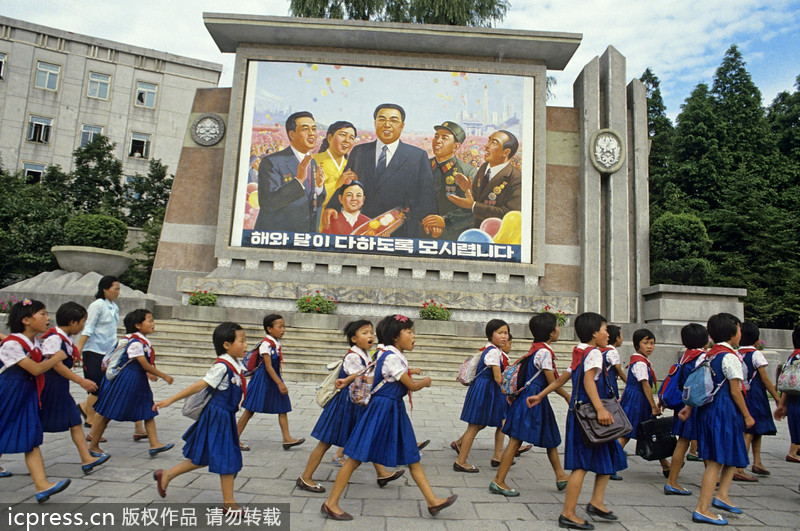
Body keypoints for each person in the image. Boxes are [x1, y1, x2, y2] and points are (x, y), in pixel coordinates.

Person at [321, 314, 457, 520]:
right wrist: (425, 382)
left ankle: (432, 501)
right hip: (382, 409)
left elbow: (371, 372)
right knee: (355, 458)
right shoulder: (392, 357)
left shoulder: (387, 353)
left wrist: (348, 379)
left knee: (412, 456)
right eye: (409, 332)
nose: (413, 337)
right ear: (395, 336)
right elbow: (410, 385)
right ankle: (331, 504)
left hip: (393, 409)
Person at [528, 312, 627, 530]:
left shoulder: (580, 351)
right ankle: (568, 513)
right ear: (593, 333)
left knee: (607, 458)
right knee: (581, 466)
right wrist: (601, 409)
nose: (607, 333)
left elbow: (564, 378)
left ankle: (597, 502)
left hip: (580, 413)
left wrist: (541, 394)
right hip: (592, 415)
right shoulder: (594, 354)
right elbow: (589, 381)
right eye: (603, 329)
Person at [297, 320, 403, 493]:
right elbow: (361, 376)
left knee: (367, 436)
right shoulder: (353, 356)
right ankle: (305, 477)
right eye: (365, 332)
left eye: (371, 332)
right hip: (344, 406)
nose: (370, 336)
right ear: (354, 338)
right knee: (325, 443)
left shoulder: (366, 354)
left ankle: (382, 473)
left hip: (356, 405)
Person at [153, 322, 249, 511]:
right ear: (226, 345)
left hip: (225, 416)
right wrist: (171, 399)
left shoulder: (236, 364)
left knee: (205, 455)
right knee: (227, 456)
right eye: (242, 341)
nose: (245, 345)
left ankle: (167, 475)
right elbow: (200, 385)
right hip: (218, 417)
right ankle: (229, 503)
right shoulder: (222, 366)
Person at [680, 313, 754, 525]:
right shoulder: (730, 357)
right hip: (724, 410)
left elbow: (699, 384)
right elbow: (735, 391)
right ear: (732, 333)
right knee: (715, 461)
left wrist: (688, 408)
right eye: (739, 329)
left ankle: (722, 495)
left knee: (733, 452)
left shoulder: (707, 355)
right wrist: (748, 415)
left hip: (708, 409)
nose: (741, 334)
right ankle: (702, 508)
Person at [323, 103, 437, 239]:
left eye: (393, 120)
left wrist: (431, 220)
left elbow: (427, 194)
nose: (387, 124)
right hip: (362, 228)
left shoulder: (417, 156)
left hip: (401, 229)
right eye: (382, 119)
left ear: (402, 126)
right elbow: (346, 184)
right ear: (375, 123)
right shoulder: (360, 152)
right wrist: (333, 206)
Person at [491, 312, 570, 497]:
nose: (559, 330)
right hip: (533, 399)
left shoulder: (536, 348)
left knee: (550, 437)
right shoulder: (545, 353)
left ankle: (560, 475)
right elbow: (552, 381)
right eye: (557, 327)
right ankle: (498, 480)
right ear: (550, 333)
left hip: (535, 399)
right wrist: (567, 395)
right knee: (516, 439)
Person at [0, 300, 72, 502]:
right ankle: (42, 485)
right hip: (8, 394)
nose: (48, 318)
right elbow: (36, 369)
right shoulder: (13, 344)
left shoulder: (33, 343)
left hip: (25, 395)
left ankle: (42, 486)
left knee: (30, 438)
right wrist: (56, 357)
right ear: (25, 320)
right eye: (42, 314)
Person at [88, 309, 175, 457]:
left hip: (136, 381)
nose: (153, 324)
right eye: (149, 320)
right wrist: (163, 375)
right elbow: (143, 364)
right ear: (137, 325)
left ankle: (154, 444)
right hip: (126, 381)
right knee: (108, 412)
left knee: (148, 409)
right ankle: (93, 446)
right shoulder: (135, 342)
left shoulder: (138, 341)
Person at [39, 302, 110, 474]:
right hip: (47, 388)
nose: (83, 326)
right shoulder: (54, 338)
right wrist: (81, 381)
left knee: (75, 421)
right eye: (82, 322)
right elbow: (56, 365)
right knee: (26, 423)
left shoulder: (66, 338)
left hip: (60, 387)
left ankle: (86, 458)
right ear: (72, 322)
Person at [237, 314, 304, 451]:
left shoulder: (275, 343)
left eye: (284, 326)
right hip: (263, 380)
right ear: (269, 328)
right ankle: (234, 438)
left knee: (283, 407)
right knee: (249, 410)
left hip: (273, 378)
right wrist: (280, 383)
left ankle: (287, 438)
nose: (283, 330)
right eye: (280, 327)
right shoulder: (266, 345)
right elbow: (268, 367)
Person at [452, 319, 510, 473]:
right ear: (491, 335)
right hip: (486, 390)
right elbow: (498, 378)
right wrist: (510, 391)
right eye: (500, 333)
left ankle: (461, 451)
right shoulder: (492, 352)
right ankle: (461, 461)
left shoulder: (492, 349)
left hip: (486, 390)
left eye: (506, 333)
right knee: (475, 425)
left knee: (478, 424)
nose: (504, 336)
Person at [254, 111, 326, 233]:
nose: (312, 134)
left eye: (314, 129)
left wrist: (319, 187)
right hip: (278, 235)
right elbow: (268, 203)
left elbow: (313, 202)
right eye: (305, 129)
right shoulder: (272, 161)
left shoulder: (312, 162)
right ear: (292, 134)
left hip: (305, 234)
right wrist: (298, 180)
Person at [617, 329, 671, 478]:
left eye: (652, 343)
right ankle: (610, 464)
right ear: (637, 344)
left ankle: (666, 465)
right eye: (645, 343)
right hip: (638, 402)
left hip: (638, 400)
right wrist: (653, 405)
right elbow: (645, 384)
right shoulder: (640, 363)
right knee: (627, 433)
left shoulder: (640, 361)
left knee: (651, 431)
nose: (649, 347)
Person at [664, 323, 708, 495]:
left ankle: (672, 481)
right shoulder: (702, 357)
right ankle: (712, 478)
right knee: (702, 441)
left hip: (683, 402)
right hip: (695, 405)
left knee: (682, 442)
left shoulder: (685, 357)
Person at [447, 130, 521, 229]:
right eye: (489, 141)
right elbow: (480, 198)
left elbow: (509, 215)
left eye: (494, 142)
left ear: (506, 152)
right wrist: (468, 191)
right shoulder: (484, 167)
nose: (486, 146)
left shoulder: (516, 178)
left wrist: (473, 206)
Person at [77, 275, 122, 435]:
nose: (117, 292)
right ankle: (90, 419)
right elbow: (88, 327)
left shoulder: (113, 306)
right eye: (115, 289)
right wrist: (79, 349)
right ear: (105, 289)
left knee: (103, 385)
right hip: (93, 351)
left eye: (118, 289)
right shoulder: (97, 305)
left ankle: (84, 407)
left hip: (107, 353)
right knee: (95, 385)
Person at [421, 121, 477, 240]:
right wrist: (428, 221)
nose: (438, 141)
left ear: (456, 146)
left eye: (444, 138)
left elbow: (474, 208)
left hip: (452, 234)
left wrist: (444, 221)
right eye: (436, 136)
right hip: (422, 229)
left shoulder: (468, 172)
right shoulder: (421, 166)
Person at [738, 322, 779, 477]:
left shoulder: (736, 354)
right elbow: (765, 379)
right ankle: (739, 467)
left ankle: (758, 462)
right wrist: (777, 398)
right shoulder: (756, 355)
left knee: (756, 430)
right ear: (756, 339)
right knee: (750, 431)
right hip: (755, 396)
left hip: (742, 393)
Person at [313, 120, 358, 226]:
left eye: (351, 138)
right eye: (343, 135)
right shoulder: (313, 161)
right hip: (318, 222)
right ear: (329, 138)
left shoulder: (350, 165)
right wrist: (338, 184)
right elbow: (308, 198)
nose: (347, 140)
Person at [774, 324, 800, 463]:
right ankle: (793, 452)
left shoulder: (793, 356)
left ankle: (794, 451)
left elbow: (788, 383)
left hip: (793, 399)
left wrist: (782, 404)